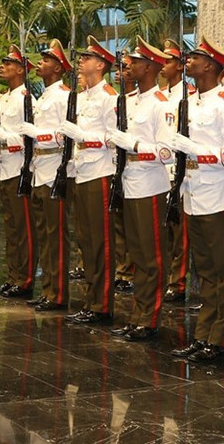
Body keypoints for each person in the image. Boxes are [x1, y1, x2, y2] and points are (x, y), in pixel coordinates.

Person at [167, 38, 224, 365]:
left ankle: (219, 339)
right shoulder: (190, 102)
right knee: (204, 269)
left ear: (210, 66)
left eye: (196, 57)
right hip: (192, 193)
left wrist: (195, 152)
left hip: (218, 195)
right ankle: (203, 335)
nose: (190, 60)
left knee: (221, 271)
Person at [108, 37, 173, 341]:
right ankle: (138, 314)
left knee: (151, 256)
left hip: (150, 184)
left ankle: (149, 318)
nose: (128, 65)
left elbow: (166, 152)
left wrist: (130, 144)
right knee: (135, 253)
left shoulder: (163, 104)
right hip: (129, 181)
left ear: (150, 67)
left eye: (134, 62)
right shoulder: (129, 101)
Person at [60, 35, 118, 325]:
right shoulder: (80, 97)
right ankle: (91, 300)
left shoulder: (110, 98)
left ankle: (102, 304)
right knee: (85, 239)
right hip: (81, 171)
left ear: (101, 65)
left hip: (100, 173)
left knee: (100, 241)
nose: (81, 61)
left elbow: (113, 138)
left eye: (87, 58)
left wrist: (85, 138)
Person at [20, 39, 73, 311]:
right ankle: (49, 289)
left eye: (46, 59)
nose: (39, 62)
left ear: (58, 67)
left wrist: (36, 134)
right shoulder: (44, 96)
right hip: (39, 170)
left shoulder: (64, 96)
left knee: (56, 235)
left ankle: (59, 293)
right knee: (44, 233)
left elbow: (65, 136)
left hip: (54, 170)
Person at [0, 45, 36, 298]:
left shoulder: (26, 98)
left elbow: (28, 138)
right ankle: (14, 275)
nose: (3, 67)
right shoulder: (5, 97)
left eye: (9, 64)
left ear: (20, 69)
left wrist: (4, 137)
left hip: (19, 167)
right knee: (11, 226)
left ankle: (25, 279)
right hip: (4, 166)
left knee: (22, 226)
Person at [160, 38, 191, 303]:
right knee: (167, 228)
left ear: (180, 65)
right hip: (162, 168)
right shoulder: (161, 96)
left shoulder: (187, 96)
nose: (163, 65)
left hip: (180, 169)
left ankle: (178, 282)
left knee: (180, 232)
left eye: (168, 61)